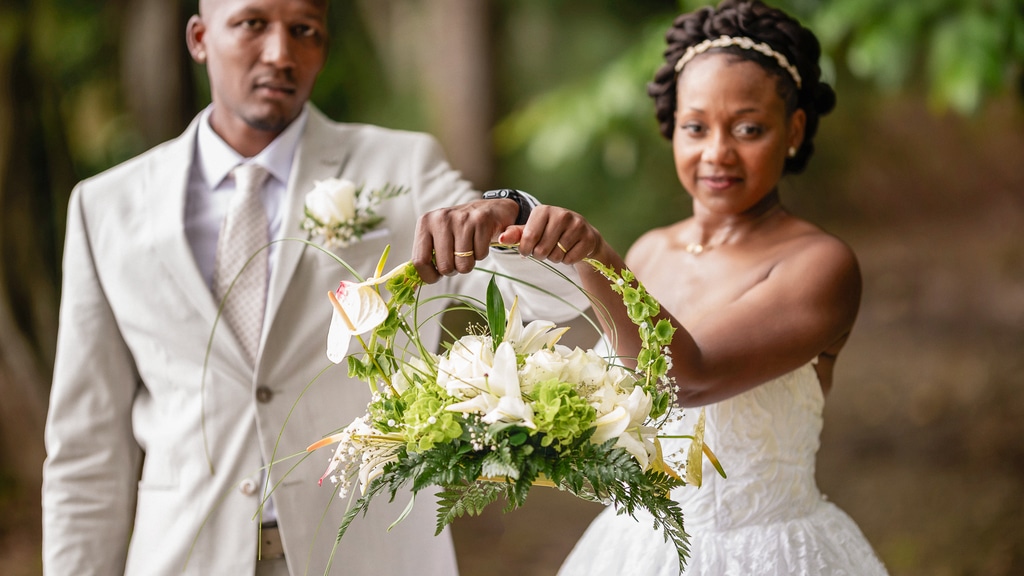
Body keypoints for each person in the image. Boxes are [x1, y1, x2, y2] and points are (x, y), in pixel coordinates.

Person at [40, 0, 586, 574]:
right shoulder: (105, 207)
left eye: (304, 31)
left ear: (322, 49)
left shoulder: (401, 166)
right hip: (184, 556)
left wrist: (507, 213)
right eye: (252, 24)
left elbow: (560, 298)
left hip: (368, 554)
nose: (280, 53)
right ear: (200, 38)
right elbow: (86, 451)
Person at [493, 1, 890, 574]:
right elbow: (625, 401)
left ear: (794, 130)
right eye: (696, 127)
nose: (717, 153)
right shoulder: (652, 250)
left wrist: (597, 258)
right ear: (672, 128)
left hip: (768, 552)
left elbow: (690, 378)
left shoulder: (820, 266)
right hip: (636, 549)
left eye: (748, 129)